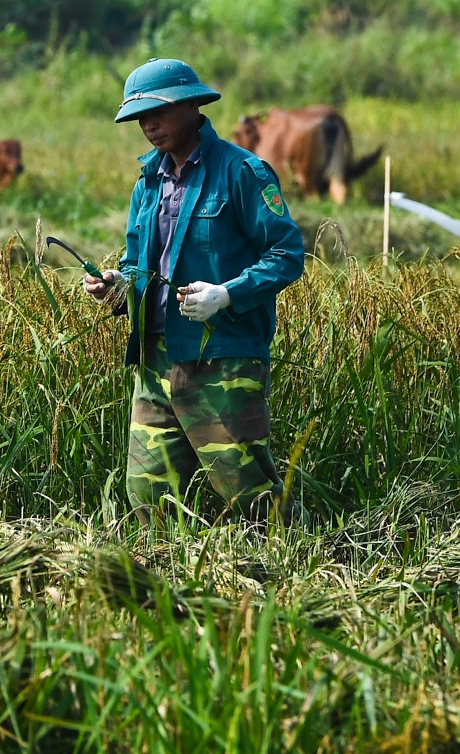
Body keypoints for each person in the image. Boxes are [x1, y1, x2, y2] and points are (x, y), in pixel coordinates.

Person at [82, 59, 305, 521]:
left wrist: (226, 294)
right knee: (147, 496)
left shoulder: (244, 172)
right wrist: (118, 286)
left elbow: (287, 255)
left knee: (249, 492)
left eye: (157, 113)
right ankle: (160, 583)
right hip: (156, 358)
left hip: (223, 357)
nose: (149, 125)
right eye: (140, 117)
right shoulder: (148, 180)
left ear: (192, 106)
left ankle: (305, 567)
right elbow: (136, 261)